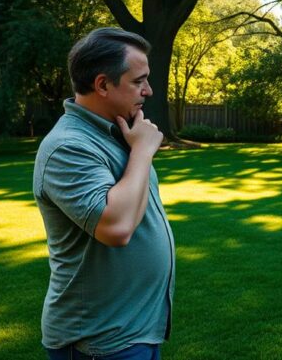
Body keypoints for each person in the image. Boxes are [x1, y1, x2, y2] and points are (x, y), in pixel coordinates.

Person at [33, 27, 175, 360]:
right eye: (138, 81)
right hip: (99, 341)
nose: (149, 90)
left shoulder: (119, 133)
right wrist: (142, 152)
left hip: (134, 331)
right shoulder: (68, 146)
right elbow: (116, 228)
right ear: (102, 85)